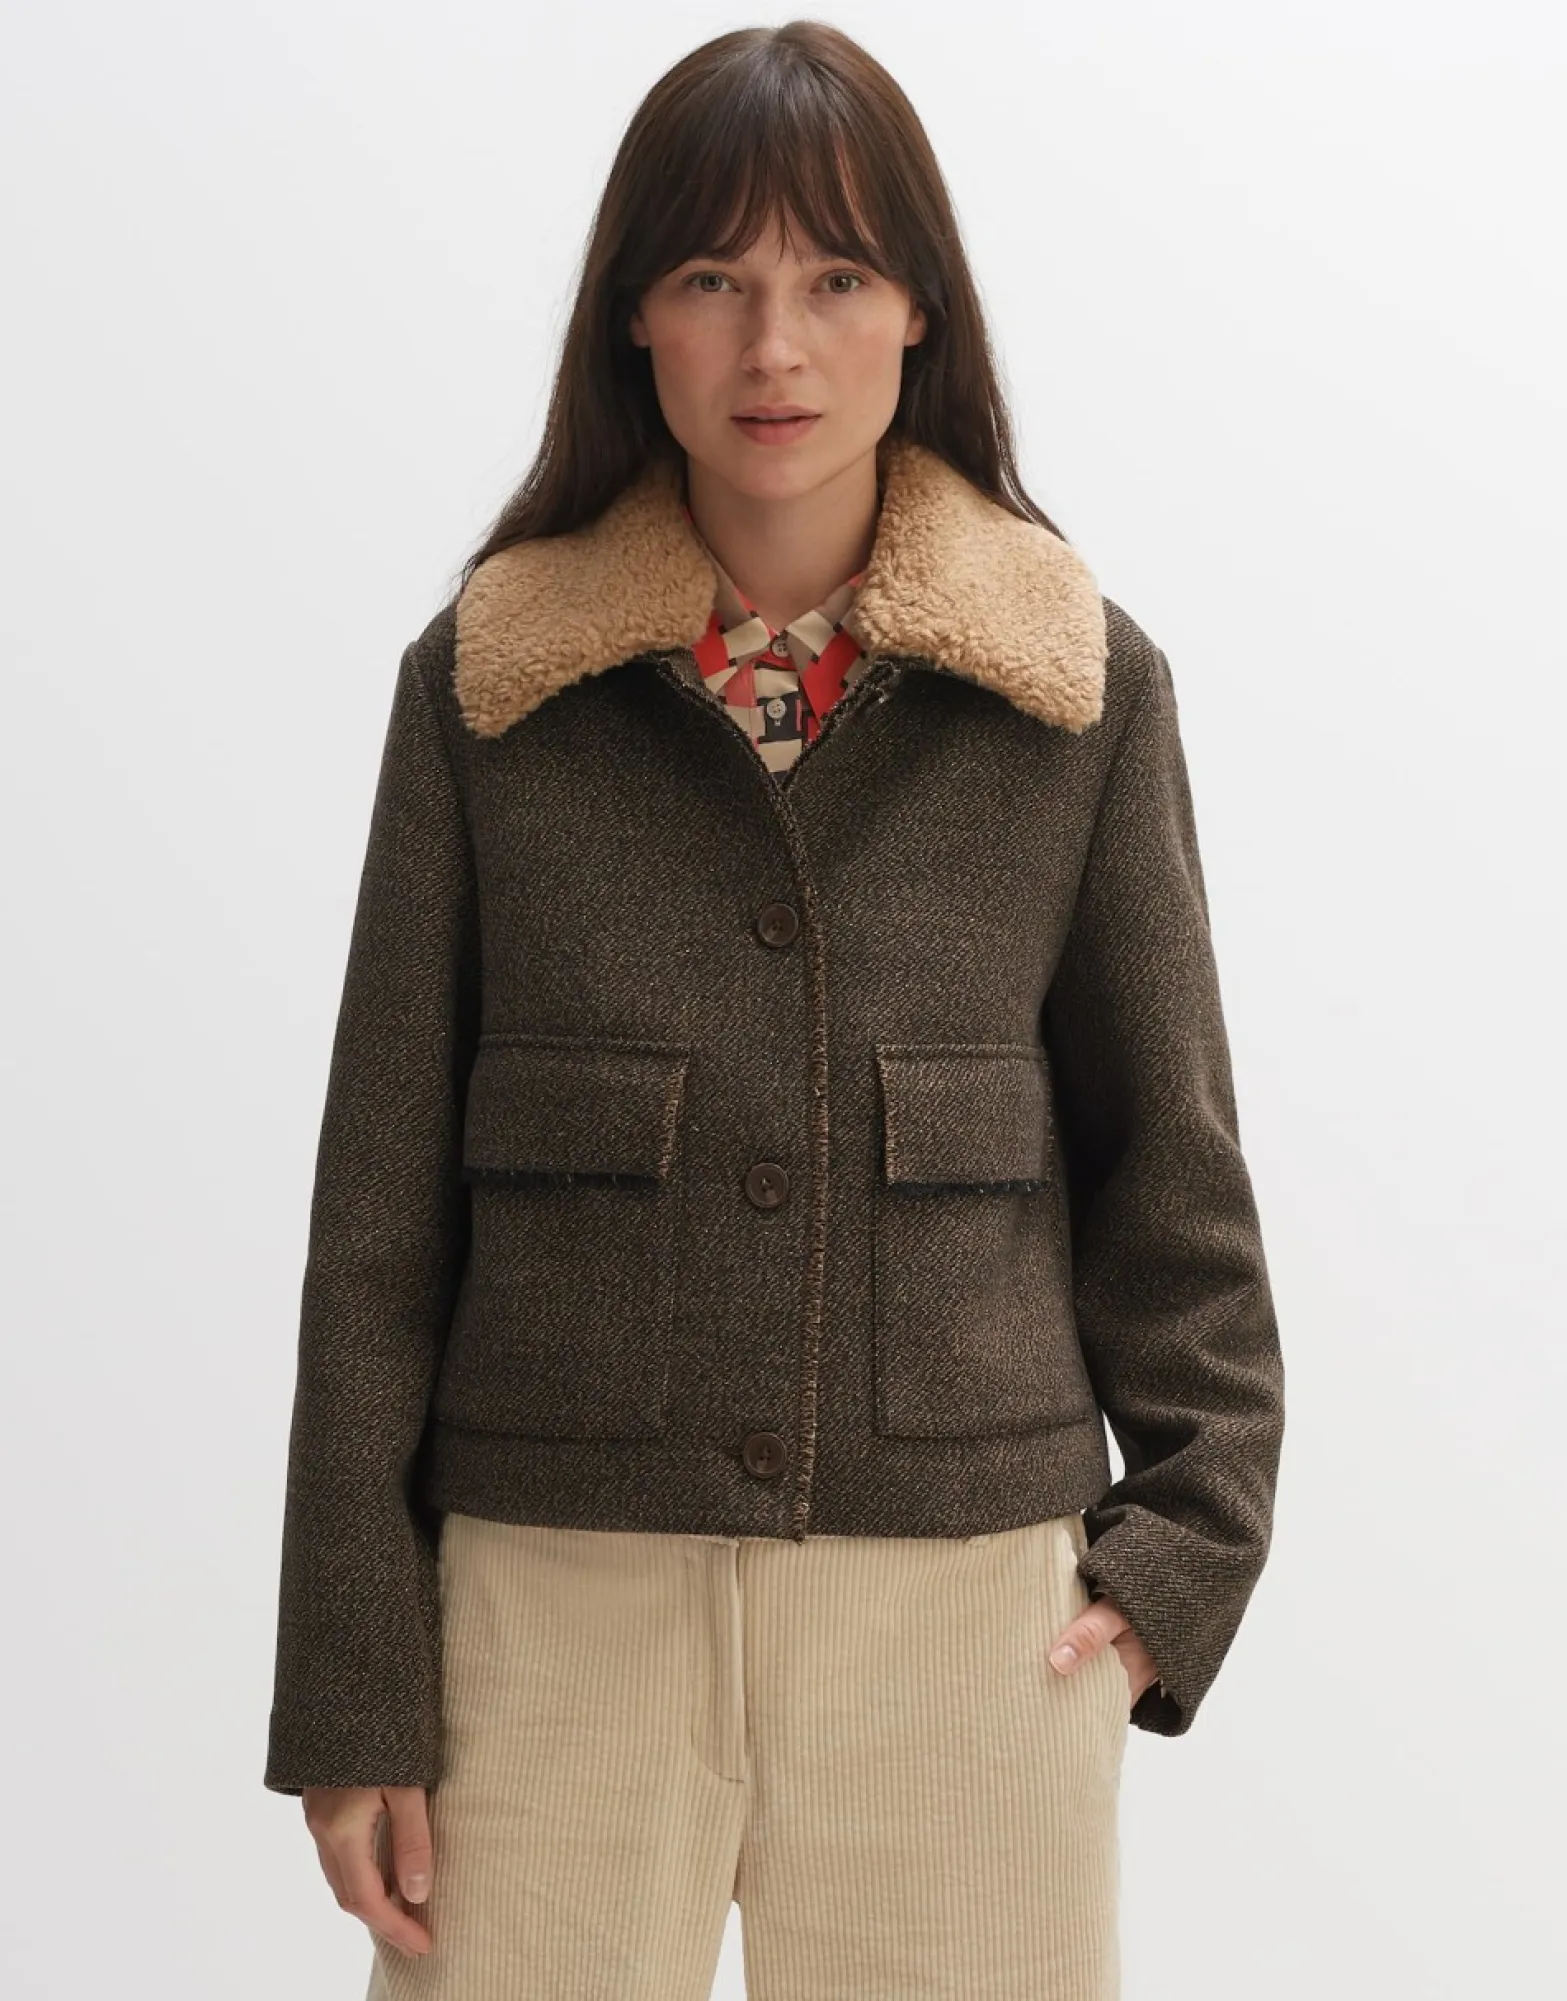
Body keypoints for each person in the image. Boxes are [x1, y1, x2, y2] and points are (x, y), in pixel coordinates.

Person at [263, 21, 1285, 2000]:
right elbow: (374, 1222)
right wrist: (353, 1690)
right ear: (632, 317)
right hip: (546, 1615)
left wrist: (1182, 1558)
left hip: (968, 1626)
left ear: (920, 312)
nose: (774, 346)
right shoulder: (487, 688)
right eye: (712, 277)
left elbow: (1175, 1170)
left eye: (833, 276)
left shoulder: (1076, 690)